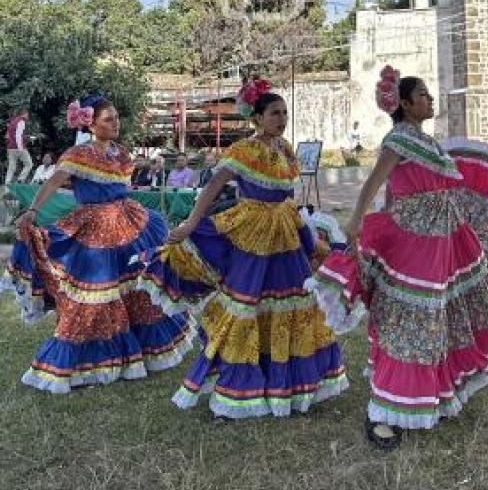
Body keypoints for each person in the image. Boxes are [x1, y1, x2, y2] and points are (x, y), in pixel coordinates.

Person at [309, 66, 488, 450]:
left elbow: (405, 189)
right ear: (403, 103)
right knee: (410, 318)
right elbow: (375, 183)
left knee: (436, 317)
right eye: (422, 95)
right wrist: (357, 224)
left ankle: (422, 396)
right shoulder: (401, 138)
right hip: (416, 242)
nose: (429, 99)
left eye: (428, 94)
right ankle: (384, 409)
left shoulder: (424, 140)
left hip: (441, 241)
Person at [139, 80, 348, 419]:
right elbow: (213, 186)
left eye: (284, 113)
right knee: (247, 302)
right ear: (257, 117)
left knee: (294, 303)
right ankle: (240, 384)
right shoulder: (243, 150)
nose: (281, 119)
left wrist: (306, 233)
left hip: (286, 234)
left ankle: (288, 384)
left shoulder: (286, 150)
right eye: (274, 113)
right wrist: (192, 223)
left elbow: (289, 197)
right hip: (252, 233)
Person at [0, 93, 193, 393]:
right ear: (91, 124)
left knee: (138, 290)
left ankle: (138, 351)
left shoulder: (121, 153)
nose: (115, 123)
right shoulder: (79, 154)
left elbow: (122, 188)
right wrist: (33, 210)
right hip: (95, 232)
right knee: (96, 297)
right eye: (108, 118)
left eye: (116, 117)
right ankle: (87, 361)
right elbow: (53, 182)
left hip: (131, 225)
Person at [5, 108, 32, 184]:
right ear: (24, 113)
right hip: (18, 147)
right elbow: (18, 135)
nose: (28, 116)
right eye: (27, 114)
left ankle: (7, 181)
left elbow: (9, 135)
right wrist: (20, 148)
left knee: (12, 166)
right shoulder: (21, 121)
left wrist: (28, 137)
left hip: (10, 147)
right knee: (29, 164)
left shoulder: (13, 122)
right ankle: (20, 180)